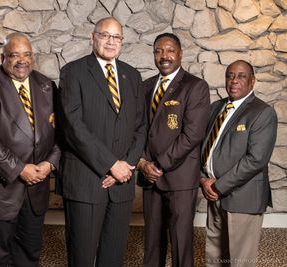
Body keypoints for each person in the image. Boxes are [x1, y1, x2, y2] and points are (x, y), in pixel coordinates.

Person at [56, 17, 146, 267]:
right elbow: (73, 128)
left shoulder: (132, 75)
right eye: (105, 35)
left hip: (122, 183)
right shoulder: (73, 72)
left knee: (113, 255)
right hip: (86, 181)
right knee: (82, 256)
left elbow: (141, 126)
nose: (110, 41)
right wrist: (109, 164)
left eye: (116, 37)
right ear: (92, 37)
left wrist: (125, 166)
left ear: (122, 42)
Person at [0, 32, 60, 267]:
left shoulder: (46, 85)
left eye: (27, 54)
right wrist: (19, 168)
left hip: (35, 192)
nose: (22, 60)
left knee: (29, 257)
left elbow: (62, 133)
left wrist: (50, 163)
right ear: (2, 57)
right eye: (14, 55)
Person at [137, 33, 210, 267]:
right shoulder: (145, 86)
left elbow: (192, 135)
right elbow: (138, 130)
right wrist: (143, 163)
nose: (164, 56)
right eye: (158, 51)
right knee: (152, 242)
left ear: (180, 53)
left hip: (179, 178)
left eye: (169, 50)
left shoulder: (195, 86)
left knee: (181, 242)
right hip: (150, 177)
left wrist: (158, 165)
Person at [200, 60, 277, 267]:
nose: (234, 80)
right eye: (230, 75)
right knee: (215, 255)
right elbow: (203, 146)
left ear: (252, 81)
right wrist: (203, 180)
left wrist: (218, 185)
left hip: (243, 196)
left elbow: (256, 160)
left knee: (239, 261)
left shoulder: (262, 112)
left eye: (241, 76)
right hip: (212, 193)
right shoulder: (216, 107)